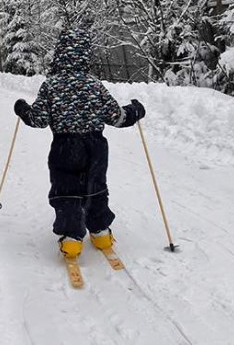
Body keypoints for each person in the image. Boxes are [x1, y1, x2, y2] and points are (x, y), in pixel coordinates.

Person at [13, 29, 146, 259]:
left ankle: (72, 238)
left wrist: (22, 109)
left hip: (65, 147)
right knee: (96, 187)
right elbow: (117, 117)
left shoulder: (51, 85)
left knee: (67, 190)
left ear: (60, 55)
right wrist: (134, 111)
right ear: (85, 56)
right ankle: (101, 231)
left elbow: (38, 120)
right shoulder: (94, 85)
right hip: (95, 147)